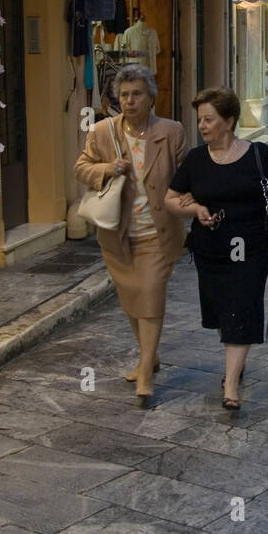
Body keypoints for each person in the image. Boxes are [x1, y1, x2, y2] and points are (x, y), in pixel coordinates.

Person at [166, 89, 268, 411]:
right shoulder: (196, 160)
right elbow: (169, 200)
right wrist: (195, 209)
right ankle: (236, 360)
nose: (202, 126)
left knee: (242, 306)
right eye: (200, 119)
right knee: (222, 311)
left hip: (251, 248)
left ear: (228, 122)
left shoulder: (256, 154)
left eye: (209, 119)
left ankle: (230, 385)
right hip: (209, 250)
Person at [74, 64, 187, 408]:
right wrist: (108, 169)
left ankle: (147, 376)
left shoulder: (171, 131)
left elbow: (187, 176)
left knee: (150, 295)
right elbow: (81, 167)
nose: (130, 101)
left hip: (159, 231)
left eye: (137, 94)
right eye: (124, 95)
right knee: (131, 299)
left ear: (150, 98)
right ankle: (147, 357)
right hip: (118, 233)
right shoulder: (102, 132)